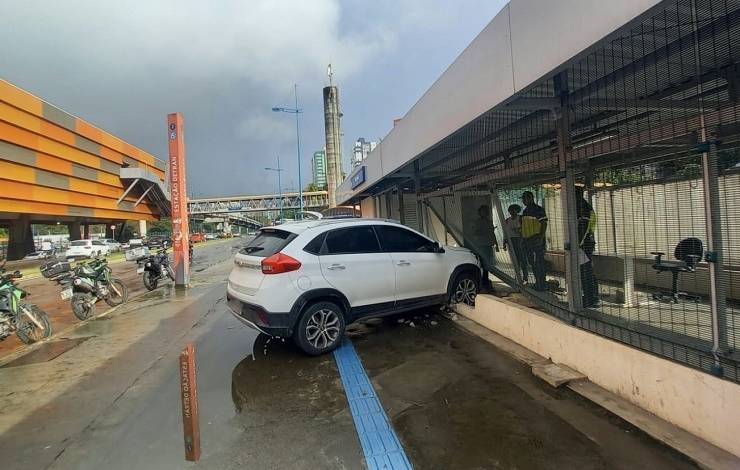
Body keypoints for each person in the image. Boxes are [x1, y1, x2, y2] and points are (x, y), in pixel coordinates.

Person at [576, 186, 600, 307]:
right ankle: (592, 296)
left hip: (584, 245)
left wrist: (577, 244)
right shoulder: (583, 206)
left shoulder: (582, 207)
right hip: (585, 243)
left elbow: (584, 227)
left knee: (586, 271)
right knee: (587, 270)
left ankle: (591, 298)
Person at [521, 191, 548, 291]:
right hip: (527, 241)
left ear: (531, 198)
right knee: (532, 263)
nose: (524, 200)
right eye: (523, 199)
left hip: (536, 241)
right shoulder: (525, 211)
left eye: (525, 198)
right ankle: (538, 282)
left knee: (539, 263)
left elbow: (544, 224)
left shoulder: (538, 210)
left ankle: (542, 284)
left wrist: (540, 238)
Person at [470, 204, 499, 287]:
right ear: (480, 212)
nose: (484, 213)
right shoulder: (477, 222)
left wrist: (496, 244)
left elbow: (492, 233)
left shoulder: (489, 222)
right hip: (481, 245)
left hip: (488, 245)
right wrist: (481, 232)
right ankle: (482, 280)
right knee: (482, 263)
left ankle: (485, 279)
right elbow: (475, 233)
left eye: (485, 211)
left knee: (488, 263)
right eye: (482, 211)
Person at [503, 204, 528, 283]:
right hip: (511, 241)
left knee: (523, 259)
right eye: (511, 210)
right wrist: (504, 241)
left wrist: (519, 230)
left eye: (514, 210)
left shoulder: (520, 218)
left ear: (517, 210)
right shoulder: (507, 220)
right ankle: (517, 276)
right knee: (515, 260)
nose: (512, 212)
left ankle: (525, 276)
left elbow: (525, 228)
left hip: (520, 240)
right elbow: (505, 232)